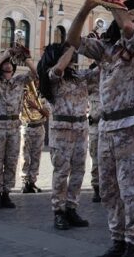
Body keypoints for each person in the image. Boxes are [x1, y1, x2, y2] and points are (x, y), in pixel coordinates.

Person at [67, 0, 134, 257]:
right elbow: (73, 41)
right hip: (106, 126)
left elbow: (129, 30)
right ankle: (118, 239)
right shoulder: (107, 48)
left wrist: (114, 5)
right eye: (127, 12)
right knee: (108, 189)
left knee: (130, 189)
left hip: (130, 125)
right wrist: (86, 6)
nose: (128, 16)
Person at [39, 43, 92, 230]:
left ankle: (71, 208)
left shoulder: (79, 76)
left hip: (80, 127)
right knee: (61, 172)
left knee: (79, 170)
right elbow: (60, 68)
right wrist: (73, 44)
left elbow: (101, 71)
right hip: (62, 129)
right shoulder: (53, 74)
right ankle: (58, 211)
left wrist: (99, 47)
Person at [0, 43, 38, 210]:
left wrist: (26, 58)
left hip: (14, 126)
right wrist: (4, 55)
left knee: (11, 161)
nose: (7, 65)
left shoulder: (19, 80)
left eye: (9, 63)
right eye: (4, 64)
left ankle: (6, 193)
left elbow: (35, 74)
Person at [20, 85, 49, 194]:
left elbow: (48, 114)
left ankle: (32, 182)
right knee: (25, 156)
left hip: (39, 128)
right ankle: (24, 182)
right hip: (26, 127)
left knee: (36, 156)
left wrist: (36, 106)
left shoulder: (43, 97)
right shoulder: (23, 96)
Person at [86, 63, 102, 202]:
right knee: (96, 160)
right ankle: (96, 188)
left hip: (108, 126)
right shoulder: (89, 89)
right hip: (95, 128)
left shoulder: (109, 85)